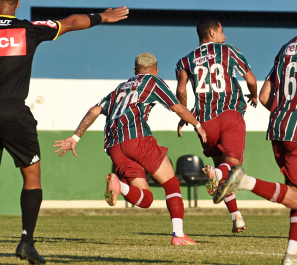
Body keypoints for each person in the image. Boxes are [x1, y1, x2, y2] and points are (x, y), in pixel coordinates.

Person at [0, 0, 129, 264]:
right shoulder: (28, 29)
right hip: (14, 112)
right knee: (32, 176)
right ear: (16, 4)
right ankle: (26, 242)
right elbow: (72, 22)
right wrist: (104, 16)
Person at [213, 0, 297, 265]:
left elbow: (263, 96)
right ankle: (244, 182)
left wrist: (286, 113)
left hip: (278, 128)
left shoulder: (288, 46)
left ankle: (292, 255)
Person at [53, 53, 205, 245]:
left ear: (134, 71)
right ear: (156, 70)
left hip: (114, 146)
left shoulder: (120, 88)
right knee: (171, 184)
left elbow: (94, 110)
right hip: (137, 139)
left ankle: (120, 186)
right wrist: (198, 125)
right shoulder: (153, 81)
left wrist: (75, 137)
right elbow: (177, 107)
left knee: (147, 199)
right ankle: (178, 236)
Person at [175, 17, 258, 233]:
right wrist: (255, 96)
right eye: (222, 31)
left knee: (222, 167)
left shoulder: (185, 61)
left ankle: (236, 217)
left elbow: (181, 91)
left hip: (205, 122)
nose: (225, 36)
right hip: (230, 115)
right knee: (232, 168)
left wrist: (184, 115)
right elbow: (250, 79)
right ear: (212, 33)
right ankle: (217, 175)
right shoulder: (228, 50)